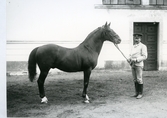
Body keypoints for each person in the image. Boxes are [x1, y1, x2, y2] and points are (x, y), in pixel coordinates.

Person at [128, 33, 148, 99]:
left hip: (139, 65)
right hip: (132, 65)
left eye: (138, 38)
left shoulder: (143, 46)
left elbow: (145, 56)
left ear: (140, 39)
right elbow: (130, 54)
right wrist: (129, 58)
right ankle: (136, 92)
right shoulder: (133, 46)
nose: (136, 40)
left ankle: (140, 93)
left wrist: (136, 60)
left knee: (139, 79)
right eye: (135, 38)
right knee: (134, 79)